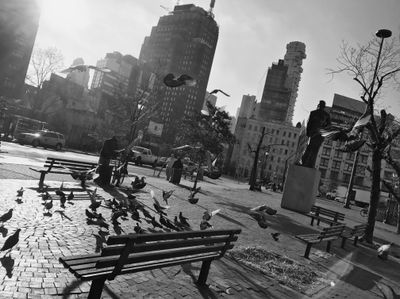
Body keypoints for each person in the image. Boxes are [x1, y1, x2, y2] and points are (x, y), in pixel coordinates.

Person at [300, 100, 331, 168]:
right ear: (324, 107)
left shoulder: (314, 113)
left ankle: (305, 162)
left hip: (315, 134)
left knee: (310, 148)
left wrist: (308, 133)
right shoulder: (326, 115)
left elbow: (309, 124)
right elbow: (328, 127)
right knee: (314, 149)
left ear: (319, 105)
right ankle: (309, 163)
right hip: (317, 135)